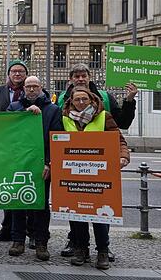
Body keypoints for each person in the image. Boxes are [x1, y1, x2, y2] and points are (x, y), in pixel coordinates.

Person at [57, 63, 136, 260]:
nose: (80, 79)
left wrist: (129, 100)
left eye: (83, 75)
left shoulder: (104, 101)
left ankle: (103, 248)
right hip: (73, 169)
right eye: (76, 76)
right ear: (70, 79)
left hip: (100, 168)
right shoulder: (62, 102)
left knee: (101, 210)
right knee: (75, 210)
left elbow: (122, 125)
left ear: (89, 77)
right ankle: (77, 244)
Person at [7, 76, 60, 261]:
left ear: (41, 88)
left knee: (41, 205)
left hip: (42, 165)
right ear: (23, 88)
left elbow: (56, 138)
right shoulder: (14, 107)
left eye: (34, 86)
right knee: (17, 203)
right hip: (19, 163)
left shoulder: (53, 110)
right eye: (28, 86)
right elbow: (7, 131)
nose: (31, 90)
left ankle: (41, 242)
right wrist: (25, 112)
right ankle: (18, 240)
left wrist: (49, 162)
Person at [0, 60, 30, 243]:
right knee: (7, 186)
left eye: (21, 71)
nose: (17, 74)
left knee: (25, 190)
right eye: (14, 71)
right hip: (5, 145)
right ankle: (6, 230)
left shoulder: (33, 89)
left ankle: (28, 232)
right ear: (9, 74)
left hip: (26, 145)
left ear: (26, 74)